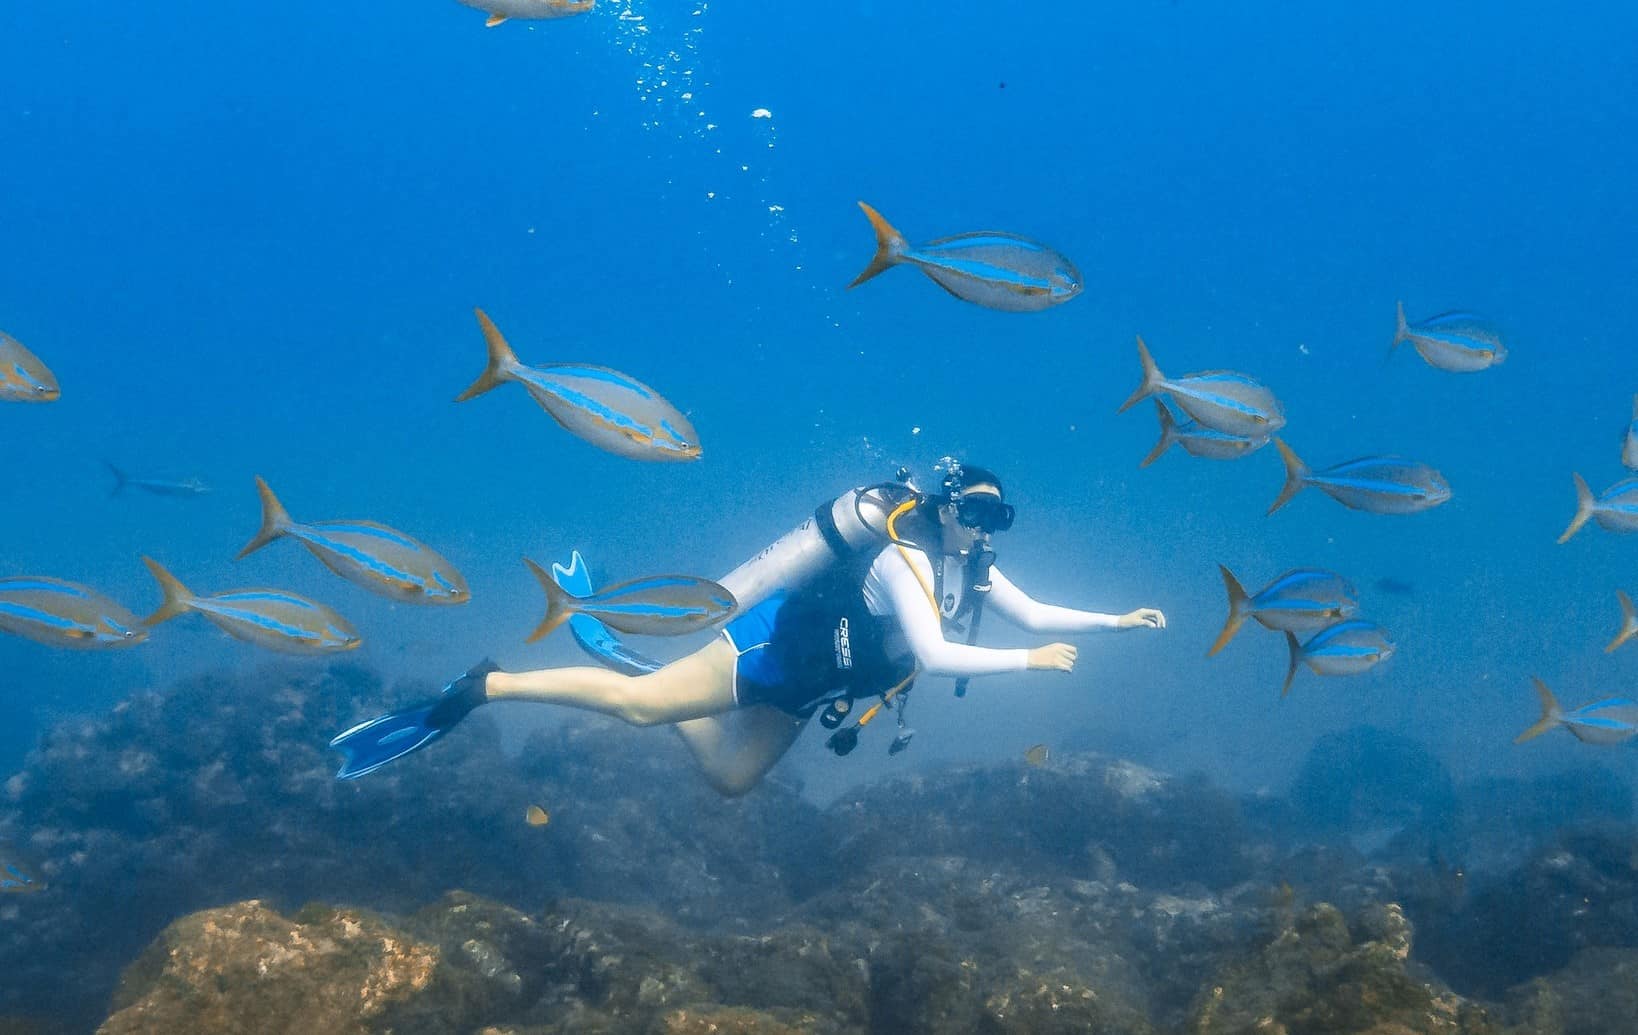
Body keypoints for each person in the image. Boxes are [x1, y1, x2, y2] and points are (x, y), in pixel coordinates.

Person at [329, 460, 1166, 795]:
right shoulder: (900, 562)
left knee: (731, 780)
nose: (987, 530)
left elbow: (1031, 609)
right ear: (945, 509)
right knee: (638, 710)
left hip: (815, 683)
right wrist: (1030, 663)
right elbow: (943, 649)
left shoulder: (967, 566)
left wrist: (1116, 622)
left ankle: (631, 658)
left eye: (997, 518)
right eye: (977, 514)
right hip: (770, 651)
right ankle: (485, 686)